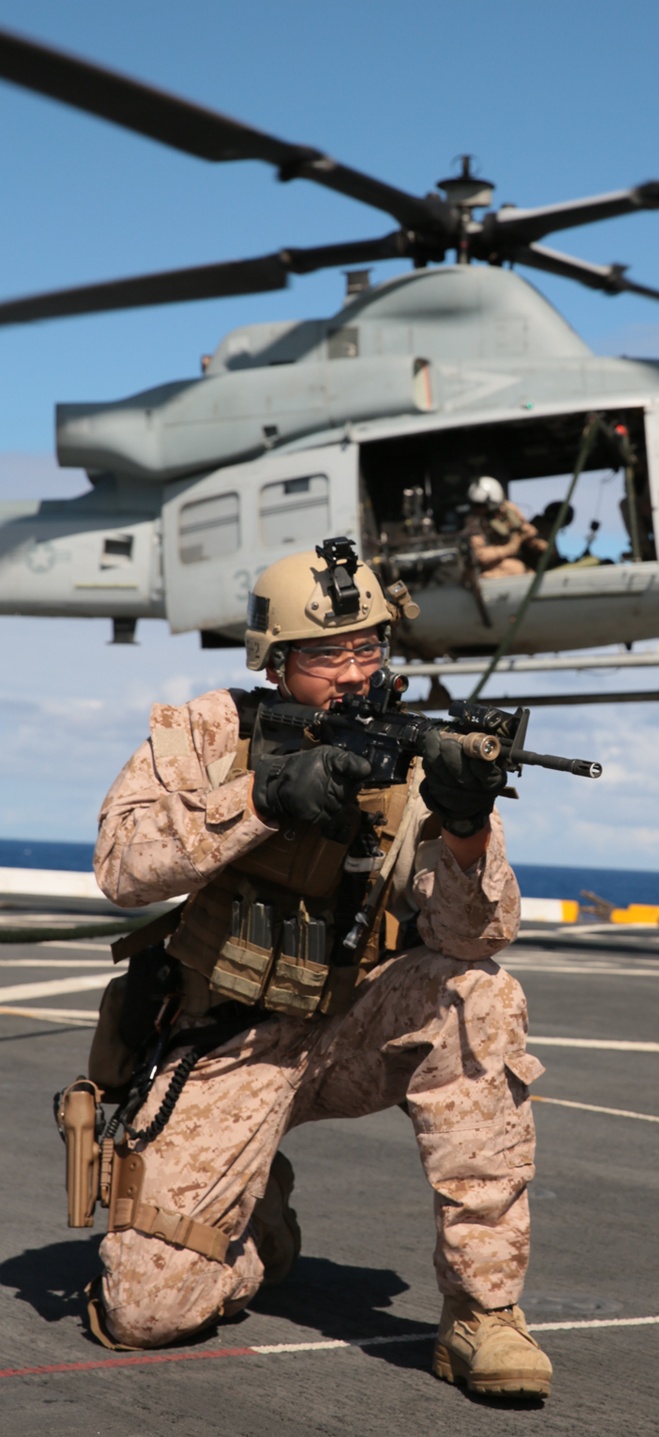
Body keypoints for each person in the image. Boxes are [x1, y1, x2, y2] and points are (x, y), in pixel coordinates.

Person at [84, 537, 553, 1400]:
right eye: (325, 655)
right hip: (227, 1040)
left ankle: (483, 1311)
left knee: (479, 995)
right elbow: (121, 865)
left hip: (353, 1027)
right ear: (275, 663)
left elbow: (475, 935)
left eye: (366, 647)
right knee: (144, 1310)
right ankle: (250, 1215)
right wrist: (262, 798)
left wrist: (464, 829)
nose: (352, 672)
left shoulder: (421, 755)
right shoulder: (211, 732)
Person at [464, 477, 546, 578]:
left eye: (483, 506)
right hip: (492, 567)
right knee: (515, 568)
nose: (480, 510)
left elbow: (524, 528)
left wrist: (537, 542)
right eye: (478, 506)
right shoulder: (474, 522)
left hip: (519, 557)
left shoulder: (509, 510)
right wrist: (509, 548)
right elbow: (480, 556)